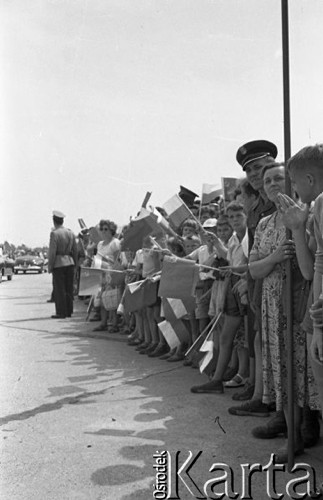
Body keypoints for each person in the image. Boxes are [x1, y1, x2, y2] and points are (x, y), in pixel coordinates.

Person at [247, 163, 319, 462]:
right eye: (267, 181)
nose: (273, 184)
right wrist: (275, 258)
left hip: (302, 303)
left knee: (310, 374)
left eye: (279, 178)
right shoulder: (263, 224)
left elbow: (310, 265)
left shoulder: (310, 212)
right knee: (284, 371)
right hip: (272, 305)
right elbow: (253, 268)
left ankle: (310, 429)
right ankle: (293, 436)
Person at [191, 201, 249, 394]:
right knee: (233, 338)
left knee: (237, 339)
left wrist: (233, 270)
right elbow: (231, 260)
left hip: (244, 290)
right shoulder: (233, 239)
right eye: (231, 217)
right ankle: (231, 377)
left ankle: (237, 378)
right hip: (232, 290)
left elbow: (249, 264)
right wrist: (216, 242)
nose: (234, 221)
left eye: (238, 216)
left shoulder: (250, 236)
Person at [283, 144, 323, 413]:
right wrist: (297, 228)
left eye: (294, 183)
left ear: (309, 180)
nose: (294, 191)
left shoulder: (321, 203)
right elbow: (311, 269)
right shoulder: (314, 211)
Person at [47, 210, 78, 319]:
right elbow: (75, 250)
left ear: (54, 221)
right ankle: (69, 311)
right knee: (69, 288)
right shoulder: (70, 232)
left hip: (59, 264)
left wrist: (50, 266)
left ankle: (61, 312)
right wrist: (76, 264)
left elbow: (52, 252)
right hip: (70, 262)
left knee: (60, 289)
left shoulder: (54, 233)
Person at [92, 219, 121, 332]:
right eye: (102, 229)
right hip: (101, 273)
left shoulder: (115, 243)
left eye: (106, 229)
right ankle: (103, 323)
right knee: (102, 300)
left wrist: (109, 265)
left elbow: (117, 260)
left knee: (112, 299)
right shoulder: (99, 244)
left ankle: (114, 324)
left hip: (111, 273)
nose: (103, 231)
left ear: (111, 230)